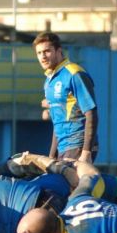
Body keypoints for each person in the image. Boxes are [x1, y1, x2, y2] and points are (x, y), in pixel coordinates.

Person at [33, 32, 98, 163]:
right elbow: (58, 122)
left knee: (75, 183)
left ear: (59, 51)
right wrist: (51, 156)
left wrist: (86, 152)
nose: (43, 57)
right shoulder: (49, 81)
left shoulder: (74, 74)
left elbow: (91, 113)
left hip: (78, 145)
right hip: (63, 148)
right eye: (39, 53)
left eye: (47, 51)